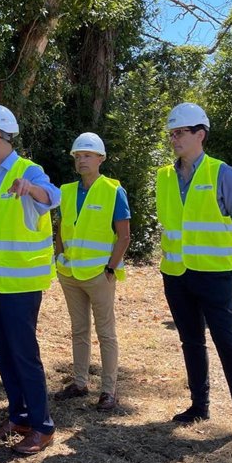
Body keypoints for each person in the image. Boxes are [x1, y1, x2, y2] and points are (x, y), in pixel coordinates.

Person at [156, 102, 232, 449]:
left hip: (214, 277)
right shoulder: (165, 176)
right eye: (172, 133)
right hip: (176, 274)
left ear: (199, 134)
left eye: (180, 133)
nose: (174, 139)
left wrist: (222, 256)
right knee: (191, 342)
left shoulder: (223, 174)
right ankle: (199, 407)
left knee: (228, 346)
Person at [0, 104, 60, 455]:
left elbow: (53, 196)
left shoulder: (27, 171)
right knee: (5, 354)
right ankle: (18, 416)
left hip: (22, 283)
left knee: (24, 355)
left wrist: (31, 190)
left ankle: (42, 426)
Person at [54, 133, 130, 411]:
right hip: (70, 274)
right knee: (79, 329)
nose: (82, 160)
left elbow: (124, 236)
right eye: (78, 156)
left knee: (106, 332)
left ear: (100, 159)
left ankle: (109, 391)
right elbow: (61, 226)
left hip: (100, 275)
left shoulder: (113, 191)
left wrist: (110, 267)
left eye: (87, 155)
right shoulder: (66, 191)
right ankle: (79, 383)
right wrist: (59, 255)